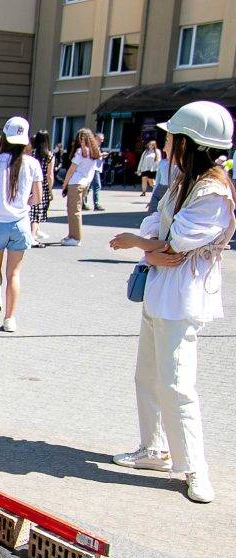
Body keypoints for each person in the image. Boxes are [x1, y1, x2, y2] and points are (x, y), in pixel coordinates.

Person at [108, 101, 235, 505]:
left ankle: (196, 469)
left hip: (183, 297)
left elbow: (178, 242)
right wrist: (150, 249)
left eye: (172, 137)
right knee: (146, 376)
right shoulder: (185, 178)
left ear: (191, 142)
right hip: (160, 289)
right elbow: (158, 228)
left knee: (178, 384)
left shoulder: (214, 192)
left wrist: (140, 244)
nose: (166, 143)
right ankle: (153, 449)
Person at [0, 117, 44, 333]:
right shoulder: (33, 164)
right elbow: (37, 198)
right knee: (14, 274)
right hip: (21, 223)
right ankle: (9, 319)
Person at [60, 127, 101, 246]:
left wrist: (64, 184)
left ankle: (76, 238)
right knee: (74, 210)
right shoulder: (95, 151)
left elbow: (71, 170)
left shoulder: (81, 151)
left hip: (75, 183)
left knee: (73, 211)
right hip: (85, 183)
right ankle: (71, 235)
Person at [29, 129, 54, 246]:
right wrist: (50, 191)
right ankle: (32, 236)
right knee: (36, 214)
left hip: (29, 184)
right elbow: (50, 175)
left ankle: (30, 234)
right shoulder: (49, 156)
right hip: (42, 186)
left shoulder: (32, 154)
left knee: (30, 211)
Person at [148, 138, 176, 214]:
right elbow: (157, 180)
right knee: (152, 212)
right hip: (160, 188)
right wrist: (152, 196)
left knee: (165, 214)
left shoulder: (177, 165)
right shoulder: (162, 162)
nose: (164, 149)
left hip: (171, 189)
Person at [83, 132, 107, 212]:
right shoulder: (92, 146)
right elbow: (92, 156)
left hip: (96, 168)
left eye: (102, 139)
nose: (101, 141)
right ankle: (96, 204)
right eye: (100, 139)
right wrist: (101, 155)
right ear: (95, 138)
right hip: (93, 168)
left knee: (88, 187)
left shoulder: (98, 146)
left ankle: (83, 203)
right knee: (97, 186)